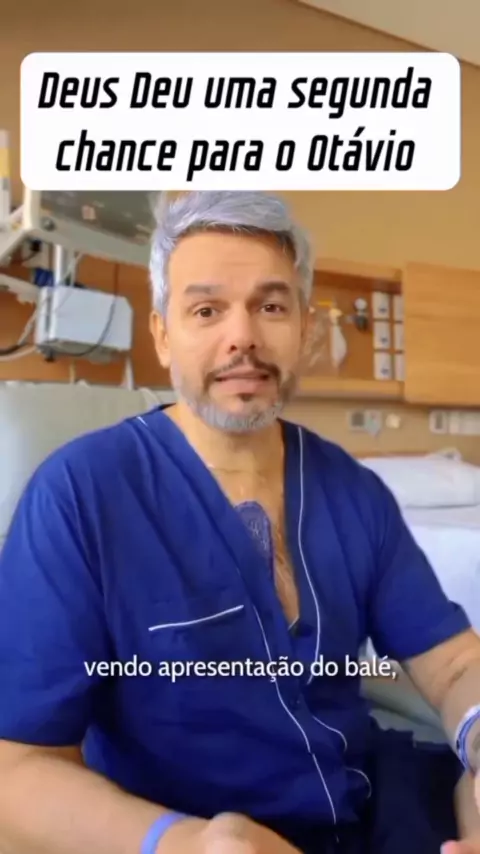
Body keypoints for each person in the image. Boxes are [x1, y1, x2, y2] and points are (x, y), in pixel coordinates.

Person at [0, 191, 479, 854]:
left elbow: (453, 664)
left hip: (368, 804)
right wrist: (182, 843)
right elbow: (18, 770)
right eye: (206, 310)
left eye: (271, 306)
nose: (243, 337)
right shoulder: (80, 496)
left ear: (305, 329)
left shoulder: (354, 492)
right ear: (162, 335)